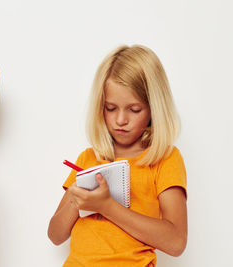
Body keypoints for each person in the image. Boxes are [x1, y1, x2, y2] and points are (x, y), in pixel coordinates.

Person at [48, 45, 187, 267]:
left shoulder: (164, 159)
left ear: (154, 109)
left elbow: (176, 242)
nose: (121, 120)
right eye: (111, 108)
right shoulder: (89, 158)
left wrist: (107, 206)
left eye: (134, 110)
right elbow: (55, 235)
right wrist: (77, 200)